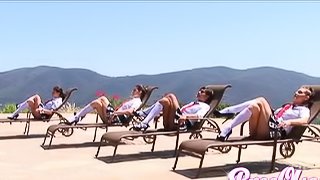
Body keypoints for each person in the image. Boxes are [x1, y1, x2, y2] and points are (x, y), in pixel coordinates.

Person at [214, 86, 314, 141]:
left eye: (300, 92)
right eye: (296, 91)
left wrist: (289, 122)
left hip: (275, 132)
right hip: (262, 131)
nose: (296, 93)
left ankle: (228, 113)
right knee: (254, 107)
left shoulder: (304, 110)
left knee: (261, 99)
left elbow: (304, 120)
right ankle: (228, 126)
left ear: (306, 97)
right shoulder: (287, 106)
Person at [133, 86, 214, 131]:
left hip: (181, 123)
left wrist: (186, 117)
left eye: (202, 92)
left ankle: (144, 114)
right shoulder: (193, 103)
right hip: (173, 121)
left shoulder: (205, 106)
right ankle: (145, 122)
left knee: (171, 96)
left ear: (207, 97)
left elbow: (199, 116)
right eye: (200, 90)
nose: (199, 92)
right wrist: (160, 113)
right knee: (165, 101)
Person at [65, 84, 146, 125]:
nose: (133, 91)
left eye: (135, 90)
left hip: (116, 118)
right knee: (96, 103)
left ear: (140, 92)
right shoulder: (134, 100)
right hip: (113, 117)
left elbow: (130, 111)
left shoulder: (137, 102)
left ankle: (77, 117)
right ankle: (77, 117)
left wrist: (116, 113)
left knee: (103, 98)